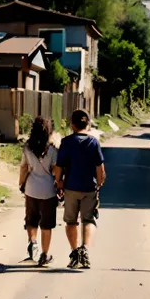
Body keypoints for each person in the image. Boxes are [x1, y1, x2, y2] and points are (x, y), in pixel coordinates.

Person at [54, 109, 105, 269]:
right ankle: (85, 249)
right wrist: (99, 184)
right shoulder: (93, 142)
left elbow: (58, 167)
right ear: (87, 124)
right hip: (89, 187)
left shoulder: (67, 142)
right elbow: (100, 169)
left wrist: (58, 182)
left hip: (70, 187)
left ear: (72, 125)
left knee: (71, 221)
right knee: (88, 219)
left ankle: (75, 251)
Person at [19, 116, 58, 267]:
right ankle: (44, 254)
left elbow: (23, 167)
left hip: (31, 188)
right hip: (48, 191)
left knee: (31, 218)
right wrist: (59, 183)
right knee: (46, 224)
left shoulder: (27, 147)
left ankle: (33, 241)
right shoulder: (53, 149)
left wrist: (21, 183)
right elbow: (56, 170)